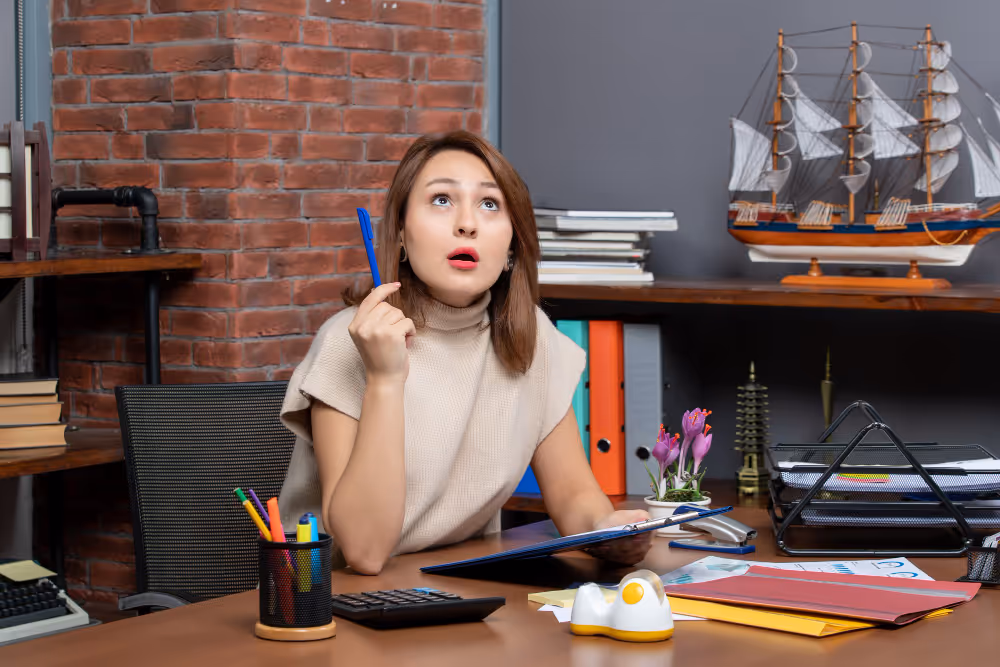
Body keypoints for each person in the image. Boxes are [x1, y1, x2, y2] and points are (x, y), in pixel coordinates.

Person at [278, 130, 651, 574]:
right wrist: (384, 379)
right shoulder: (349, 340)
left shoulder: (533, 334)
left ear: (512, 246)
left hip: (457, 590)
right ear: (398, 233)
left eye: (490, 204)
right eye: (441, 200)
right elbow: (363, 552)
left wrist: (609, 532)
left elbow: (573, 497)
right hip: (328, 601)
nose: (467, 223)